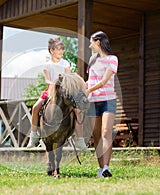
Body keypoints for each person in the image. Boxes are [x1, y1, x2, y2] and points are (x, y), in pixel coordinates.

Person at [27, 38, 90, 152]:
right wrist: (56, 86)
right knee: (36, 107)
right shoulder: (47, 65)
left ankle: (80, 140)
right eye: (58, 49)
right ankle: (33, 135)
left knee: (76, 111)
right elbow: (47, 80)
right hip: (50, 90)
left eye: (62, 49)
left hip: (65, 92)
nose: (61, 51)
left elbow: (69, 78)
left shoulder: (65, 63)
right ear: (51, 50)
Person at [86, 31, 118, 177]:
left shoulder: (112, 59)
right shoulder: (92, 60)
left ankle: (106, 167)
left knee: (106, 132)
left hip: (108, 100)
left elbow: (104, 81)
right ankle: (100, 169)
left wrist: (89, 90)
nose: (89, 45)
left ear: (98, 42)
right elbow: (90, 81)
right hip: (93, 102)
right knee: (97, 136)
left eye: (91, 42)